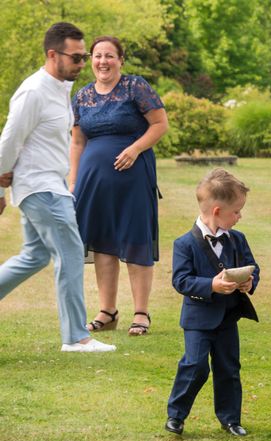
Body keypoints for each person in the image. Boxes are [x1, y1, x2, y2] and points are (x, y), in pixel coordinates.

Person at [0, 22, 115, 353]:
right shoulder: (33, 92)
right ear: (53, 54)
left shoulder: (59, 89)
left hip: (51, 183)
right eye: (77, 58)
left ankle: (75, 336)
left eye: (85, 57)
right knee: (70, 253)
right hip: (41, 187)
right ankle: (76, 337)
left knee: (34, 256)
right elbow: (9, 141)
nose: (84, 64)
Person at [69, 35, 168, 336]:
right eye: (97, 55)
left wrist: (136, 149)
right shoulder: (82, 96)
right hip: (93, 183)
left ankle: (141, 313)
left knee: (135, 239)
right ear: (90, 61)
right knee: (103, 243)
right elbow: (77, 141)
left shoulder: (135, 87)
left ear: (121, 60)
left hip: (133, 178)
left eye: (109, 55)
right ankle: (107, 311)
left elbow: (160, 124)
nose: (103, 61)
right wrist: (74, 181)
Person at [165, 169, 259, 437]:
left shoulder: (237, 240)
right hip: (198, 319)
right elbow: (181, 281)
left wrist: (249, 282)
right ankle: (176, 415)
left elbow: (253, 267)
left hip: (228, 317)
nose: (240, 217)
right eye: (236, 212)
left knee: (229, 368)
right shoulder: (184, 244)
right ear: (217, 210)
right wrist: (211, 285)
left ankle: (230, 419)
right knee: (195, 366)